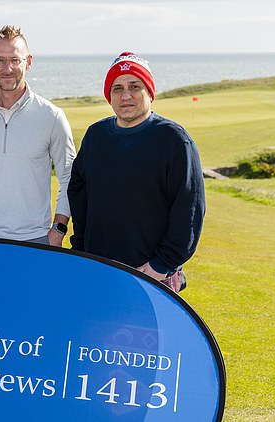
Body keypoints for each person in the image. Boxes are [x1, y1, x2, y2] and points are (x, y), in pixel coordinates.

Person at [67, 52, 205, 292]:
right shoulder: (95, 136)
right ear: (109, 96)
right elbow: (80, 198)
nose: (126, 95)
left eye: (134, 86)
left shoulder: (174, 141)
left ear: (149, 92)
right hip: (98, 272)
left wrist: (160, 265)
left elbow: (189, 213)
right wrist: (81, 251)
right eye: (117, 88)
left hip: (152, 277)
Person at [0, 25, 75, 246]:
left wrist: (58, 230)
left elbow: (69, 178)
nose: (7, 68)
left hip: (34, 240)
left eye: (15, 60)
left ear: (28, 62)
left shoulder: (52, 117)